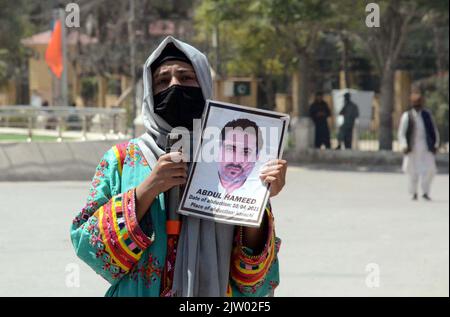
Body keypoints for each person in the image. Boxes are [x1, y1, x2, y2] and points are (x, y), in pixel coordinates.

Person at [70, 36, 287, 297]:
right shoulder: (121, 159)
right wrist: (148, 189)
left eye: (186, 78)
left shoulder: (235, 158)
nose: (174, 86)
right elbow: (90, 249)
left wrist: (257, 201)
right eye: (162, 81)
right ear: (150, 93)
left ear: (205, 85)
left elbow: (254, 278)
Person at [398, 92, 439, 201]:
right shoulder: (407, 116)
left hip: (426, 147)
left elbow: (434, 131)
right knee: (412, 171)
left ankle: (425, 192)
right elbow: (402, 133)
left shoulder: (427, 115)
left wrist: (435, 144)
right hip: (412, 147)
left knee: (430, 170)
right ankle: (414, 192)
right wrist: (404, 145)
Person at [217, 118, 263, 195]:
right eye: (230, 149)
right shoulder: (196, 182)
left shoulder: (260, 194)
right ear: (218, 150)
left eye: (246, 152)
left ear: (256, 157)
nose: (236, 160)